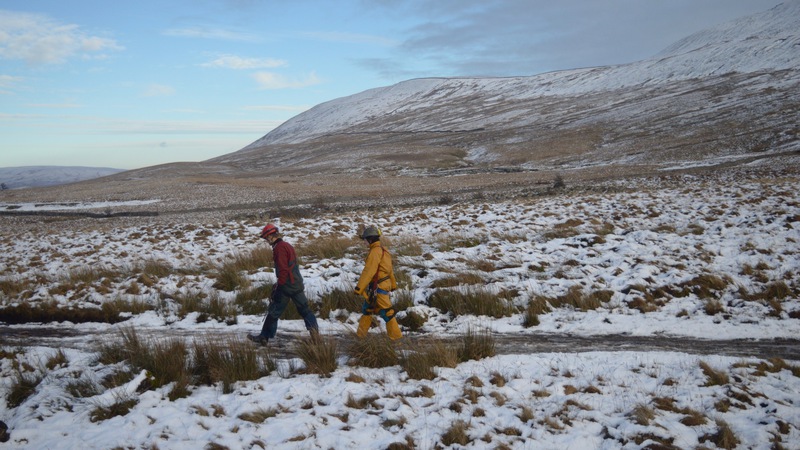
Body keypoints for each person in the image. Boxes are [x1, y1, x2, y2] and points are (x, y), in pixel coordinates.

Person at [248, 223, 318, 345]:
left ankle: (264, 336)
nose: (266, 240)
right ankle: (315, 336)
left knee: (274, 310)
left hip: (286, 285)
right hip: (296, 283)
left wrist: (279, 285)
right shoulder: (286, 245)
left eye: (266, 238)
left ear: (271, 236)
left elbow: (283, 270)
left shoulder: (279, 248)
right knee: (305, 310)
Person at [354, 225, 402, 340]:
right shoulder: (384, 250)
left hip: (378, 288)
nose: (364, 242)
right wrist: (393, 284)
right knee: (367, 309)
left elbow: (368, 271)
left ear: (370, 239)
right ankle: (360, 336)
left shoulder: (374, 252)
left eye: (365, 240)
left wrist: (359, 288)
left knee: (387, 313)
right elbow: (390, 270)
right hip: (379, 286)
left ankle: (396, 338)